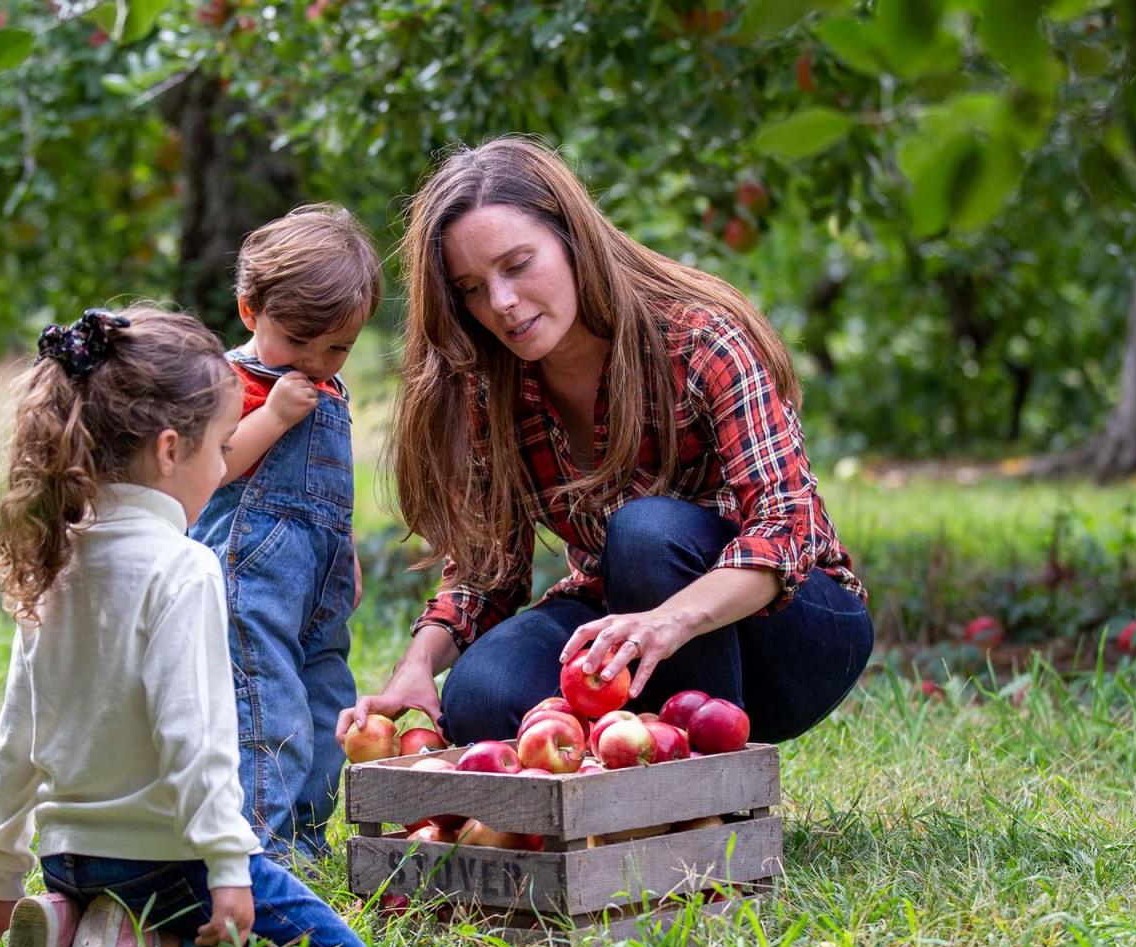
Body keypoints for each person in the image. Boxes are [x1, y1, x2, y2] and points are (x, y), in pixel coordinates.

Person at [339, 136, 872, 748]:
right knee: (482, 695)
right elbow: (488, 574)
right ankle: (638, 762)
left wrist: (667, 622)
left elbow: (787, 528)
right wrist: (414, 668)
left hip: (789, 630)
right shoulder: (494, 386)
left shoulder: (697, 340)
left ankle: (700, 801)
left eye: (516, 265)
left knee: (646, 533)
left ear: (573, 239)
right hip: (628, 624)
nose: (502, 303)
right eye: (471, 288)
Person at [0, 307, 383, 947]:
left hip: (69, 858)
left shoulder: (57, 561)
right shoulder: (183, 569)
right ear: (168, 451)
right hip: (169, 861)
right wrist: (227, 867)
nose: (225, 466)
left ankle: (78, 923)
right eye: (220, 447)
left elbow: (15, 740)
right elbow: (199, 740)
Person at [188, 204, 383, 862]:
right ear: (250, 310)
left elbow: (328, 492)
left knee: (328, 703)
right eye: (298, 341)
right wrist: (270, 417)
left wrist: (344, 556)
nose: (316, 360)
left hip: (317, 575)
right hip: (251, 572)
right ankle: (258, 850)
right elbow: (209, 472)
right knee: (267, 706)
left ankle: (304, 837)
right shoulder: (228, 380)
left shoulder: (328, 388)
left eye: (336, 348)